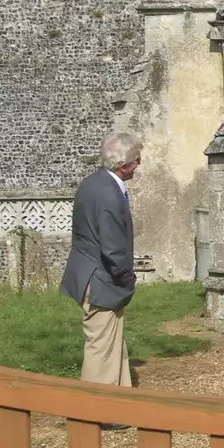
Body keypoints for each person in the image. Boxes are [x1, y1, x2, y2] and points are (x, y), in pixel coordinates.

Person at [59, 132, 141, 407]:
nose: (138, 164)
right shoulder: (109, 195)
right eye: (136, 160)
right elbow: (113, 247)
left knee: (111, 340)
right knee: (101, 346)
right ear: (124, 165)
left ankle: (119, 400)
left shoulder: (92, 183)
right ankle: (98, 409)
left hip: (90, 272)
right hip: (100, 278)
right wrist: (126, 276)